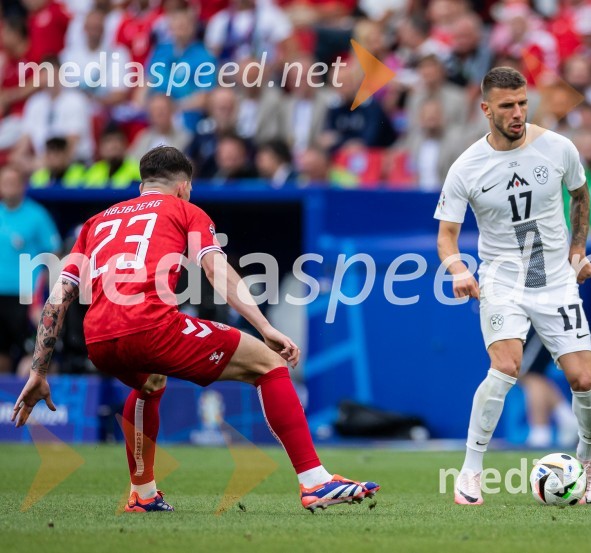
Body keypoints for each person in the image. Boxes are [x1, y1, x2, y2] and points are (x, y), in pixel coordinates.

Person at [11, 146, 379, 513]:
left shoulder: (96, 222)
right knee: (269, 363)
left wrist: (38, 371)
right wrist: (265, 326)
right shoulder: (185, 209)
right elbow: (215, 269)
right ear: (184, 186)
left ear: (143, 184)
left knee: (149, 382)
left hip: (99, 339)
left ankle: (143, 493)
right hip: (151, 326)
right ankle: (315, 481)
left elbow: (59, 296)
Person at [435, 67, 591, 506]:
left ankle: (588, 457)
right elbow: (446, 235)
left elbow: (581, 195)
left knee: (583, 379)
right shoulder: (466, 167)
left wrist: (578, 252)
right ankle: (470, 472)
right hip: (503, 280)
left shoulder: (557, 148)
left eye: (523, 103)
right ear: (486, 108)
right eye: (507, 105)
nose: (517, 113)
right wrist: (457, 269)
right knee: (506, 368)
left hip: (555, 279)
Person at [0, 166, 60, 374]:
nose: (9, 187)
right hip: (1, 295)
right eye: (5, 182)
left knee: (32, 353)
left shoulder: (37, 215)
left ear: (23, 186)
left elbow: (55, 252)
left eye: (14, 182)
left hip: (26, 297)